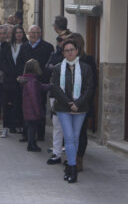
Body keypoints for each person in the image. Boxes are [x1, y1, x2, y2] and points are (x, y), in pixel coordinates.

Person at [51, 40, 94, 183]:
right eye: (66, 50)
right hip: (63, 108)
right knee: (69, 137)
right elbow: (55, 88)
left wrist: (78, 103)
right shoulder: (58, 68)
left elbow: (89, 88)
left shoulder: (86, 68)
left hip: (80, 109)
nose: (69, 52)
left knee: (75, 138)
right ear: (63, 53)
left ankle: (70, 166)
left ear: (77, 51)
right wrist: (69, 103)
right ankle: (73, 169)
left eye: (72, 49)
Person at [65, 32, 98, 172]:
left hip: (82, 102)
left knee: (80, 132)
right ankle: (71, 158)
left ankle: (78, 159)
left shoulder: (88, 60)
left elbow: (92, 83)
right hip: (67, 102)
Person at [0, 25, 32, 138]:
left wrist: (22, 72)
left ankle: (20, 126)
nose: (19, 35)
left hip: (21, 80)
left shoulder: (26, 46)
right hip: (9, 80)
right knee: (7, 104)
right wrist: (7, 70)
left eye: (21, 32)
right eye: (17, 33)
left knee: (21, 104)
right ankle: (6, 127)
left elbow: (28, 62)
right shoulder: (7, 46)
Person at [28, 25, 54, 141]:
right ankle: (27, 134)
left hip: (41, 83)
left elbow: (49, 66)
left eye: (36, 32)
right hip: (27, 84)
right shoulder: (25, 47)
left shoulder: (48, 47)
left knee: (40, 107)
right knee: (28, 108)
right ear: (29, 34)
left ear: (40, 34)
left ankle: (40, 133)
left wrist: (43, 78)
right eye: (32, 33)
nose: (34, 35)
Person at [19, 59, 51, 152]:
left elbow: (41, 86)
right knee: (32, 128)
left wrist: (51, 86)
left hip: (28, 109)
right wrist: (38, 111)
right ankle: (31, 144)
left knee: (30, 127)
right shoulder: (32, 81)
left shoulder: (28, 80)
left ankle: (31, 143)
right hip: (33, 109)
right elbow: (34, 98)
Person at [45, 35, 67, 165]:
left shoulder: (80, 63)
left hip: (71, 99)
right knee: (57, 125)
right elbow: (48, 71)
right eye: (59, 40)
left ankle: (70, 157)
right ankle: (56, 153)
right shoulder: (55, 56)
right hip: (56, 96)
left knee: (70, 129)